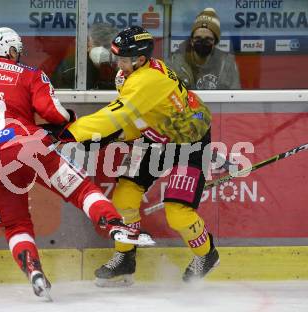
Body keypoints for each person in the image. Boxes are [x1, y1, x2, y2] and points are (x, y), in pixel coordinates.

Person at [0, 27, 154, 299]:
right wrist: (68, 118)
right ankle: (115, 224)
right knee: (81, 190)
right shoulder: (30, 74)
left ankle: (34, 271)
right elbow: (52, 112)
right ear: (11, 50)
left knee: (16, 225)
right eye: (17, 50)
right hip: (30, 148)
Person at [55, 26, 220, 286]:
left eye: (122, 58)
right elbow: (135, 117)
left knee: (178, 214)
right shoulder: (128, 74)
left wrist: (72, 134)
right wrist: (112, 137)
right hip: (156, 138)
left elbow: (115, 115)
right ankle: (125, 259)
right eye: (117, 56)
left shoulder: (147, 80)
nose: (117, 63)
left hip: (188, 142)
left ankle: (206, 254)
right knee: (124, 196)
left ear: (140, 59)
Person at [169, 8, 240, 90]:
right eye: (198, 38)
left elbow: (235, 97)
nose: (202, 42)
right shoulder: (175, 62)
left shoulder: (227, 64)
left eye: (208, 39)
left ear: (215, 43)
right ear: (191, 41)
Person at [52, 23, 118, 89]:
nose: (102, 50)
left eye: (106, 46)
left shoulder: (121, 68)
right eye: (97, 44)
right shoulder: (71, 68)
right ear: (88, 45)